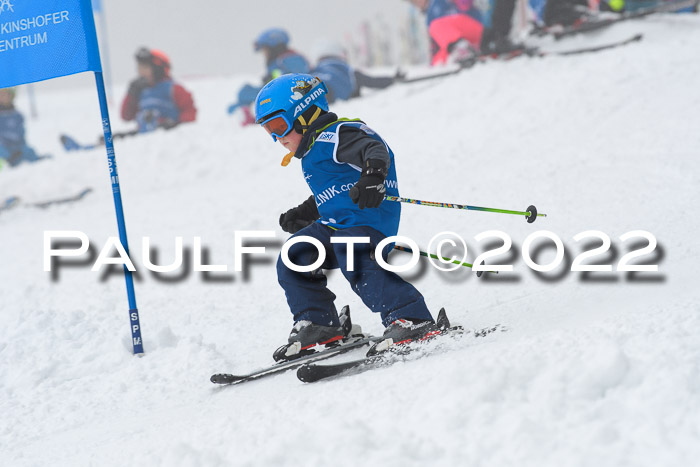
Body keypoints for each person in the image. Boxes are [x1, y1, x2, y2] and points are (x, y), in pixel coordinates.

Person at [253, 73, 438, 359]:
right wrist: (306, 212)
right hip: (338, 225)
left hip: (369, 220)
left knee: (352, 250)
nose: (277, 137)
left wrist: (373, 176)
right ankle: (319, 323)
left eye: (279, 126)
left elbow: (374, 149)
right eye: (269, 131)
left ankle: (411, 318)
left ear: (305, 113)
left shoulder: (339, 134)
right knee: (295, 253)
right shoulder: (314, 150)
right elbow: (336, 190)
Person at [227, 28, 311, 124]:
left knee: (245, 92)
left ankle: (245, 116)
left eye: (265, 50)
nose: (264, 54)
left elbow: (299, 80)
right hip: (279, 95)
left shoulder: (290, 59)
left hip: (285, 96)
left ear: (274, 48)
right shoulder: (279, 61)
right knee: (244, 92)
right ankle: (243, 114)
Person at [121, 48, 196, 133]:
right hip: (144, 135)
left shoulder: (173, 89)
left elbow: (190, 112)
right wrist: (131, 94)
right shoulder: (140, 91)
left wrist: (176, 125)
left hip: (169, 134)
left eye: (145, 68)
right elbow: (126, 116)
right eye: (139, 68)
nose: (141, 72)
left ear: (157, 68)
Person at [311, 40, 401, 103]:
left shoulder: (316, 70)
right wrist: (392, 79)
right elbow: (370, 81)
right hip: (333, 94)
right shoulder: (345, 69)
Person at [0, 87, 44, 171]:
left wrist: (23, 148)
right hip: (3, 149)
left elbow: (21, 134)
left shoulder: (17, 115)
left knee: (29, 153)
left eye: (6, 94)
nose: (4, 97)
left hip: (19, 147)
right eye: (1, 95)